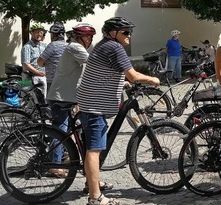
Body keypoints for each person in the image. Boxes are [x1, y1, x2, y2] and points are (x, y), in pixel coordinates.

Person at [76, 17, 160, 205]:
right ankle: (95, 197)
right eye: (125, 32)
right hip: (94, 106)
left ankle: (92, 183)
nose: (129, 35)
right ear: (112, 33)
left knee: (93, 146)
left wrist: (126, 83)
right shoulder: (114, 47)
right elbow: (132, 73)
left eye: (130, 32)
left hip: (89, 101)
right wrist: (152, 79)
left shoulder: (104, 45)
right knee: (94, 150)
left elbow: (114, 71)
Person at [45, 23, 94, 178]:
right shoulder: (75, 47)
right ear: (83, 37)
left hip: (65, 95)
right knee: (61, 132)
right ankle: (55, 165)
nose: (91, 40)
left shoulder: (74, 47)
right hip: (62, 97)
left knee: (67, 130)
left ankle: (64, 158)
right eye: (89, 37)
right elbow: (93, 65)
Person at [37, 22, 66, 89]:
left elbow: (40, 62)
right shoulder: (68, 46)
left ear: (53, 35)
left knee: (51, 99)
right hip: (65, 80)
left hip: (52, 80)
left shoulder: (52, 45)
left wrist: (45, 63)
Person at [21, 24, 48, 93]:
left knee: (43, 100)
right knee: (32, 100)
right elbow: (26, 64)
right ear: (32, 33)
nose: (39, 34)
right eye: (37, 32)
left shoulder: (44, 45)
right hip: (31, 77)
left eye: (41, 32)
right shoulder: (27, 47)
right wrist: (38, 72)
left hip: (43, 76)